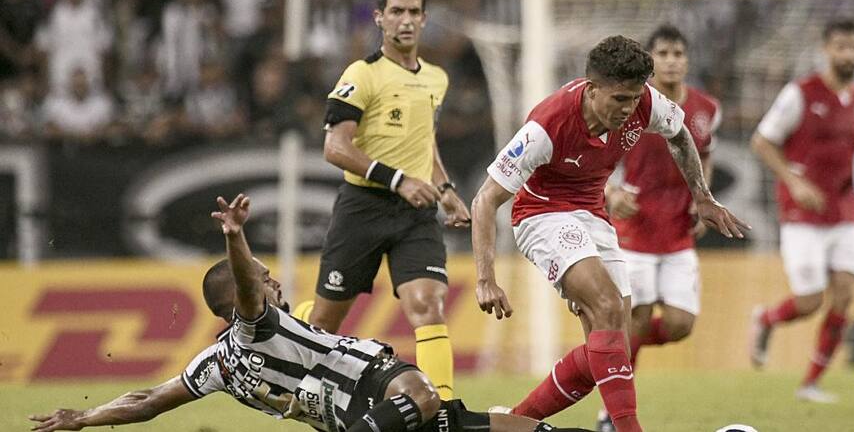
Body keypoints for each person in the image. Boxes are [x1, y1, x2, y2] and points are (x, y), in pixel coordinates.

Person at [28, 194, 593, 432]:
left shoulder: (217, 365)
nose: (275, 283)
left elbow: (147, 400)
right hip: (376, 394)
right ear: (239, 302)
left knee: (502, 425)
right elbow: (249, 289)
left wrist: (84, 419)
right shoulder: (254, 327)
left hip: (369, 401)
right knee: (426, 398)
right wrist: (236, 237)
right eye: (264, 279)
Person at [470, 35, 749, 432]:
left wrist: (701, 196)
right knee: (607, 305)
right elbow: (484, 200)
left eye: (634, 98)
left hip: (592, 213)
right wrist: (485, 280)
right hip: (542, 213)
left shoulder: (646, 103)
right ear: (591, 88)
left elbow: (681, 133)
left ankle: (511, 424)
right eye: (620, 99)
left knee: (609, 342)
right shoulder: (547, 126)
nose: (629, 108)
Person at [300, 0, 470, 401]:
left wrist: (443, 186)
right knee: (324, 324)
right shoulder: (362, 74)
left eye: (414, 12)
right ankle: (294, 328)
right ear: (380, 18)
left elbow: (423, 140)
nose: (406, 21)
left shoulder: (436, 79)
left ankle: (443, 411)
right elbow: (335, 147)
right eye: (397, 12)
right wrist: (399, 179)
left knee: (428, 306)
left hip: (415, 214)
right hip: (363, 208)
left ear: (425, 19)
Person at [596, 25, 721, 430]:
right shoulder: (632, 104)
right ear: (651, 60)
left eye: (678, 53)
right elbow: (601, 155)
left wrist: (704, 199)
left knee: (681, 324)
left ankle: (603, 351)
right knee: (639, 314)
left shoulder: (706, 108)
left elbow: (704, 156)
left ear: (687, 60)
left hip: (678, 233)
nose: (671, 60)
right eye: (663, 53)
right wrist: (612, 193)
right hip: (635, 230)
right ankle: (611, 414)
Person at [748, 19, 854, 403]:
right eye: (840, 47)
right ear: (826, 50)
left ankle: (811, 383)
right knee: (809, 301)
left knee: (845, 293)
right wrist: (795, 182)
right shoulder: (800, 93)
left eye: (853, 47)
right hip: (802, 216)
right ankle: (766, 320)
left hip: (847, 212)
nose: (847, 54)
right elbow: (762, 141)